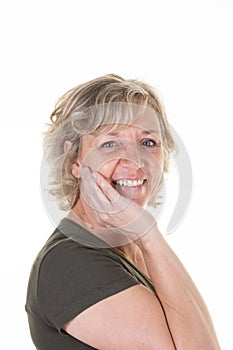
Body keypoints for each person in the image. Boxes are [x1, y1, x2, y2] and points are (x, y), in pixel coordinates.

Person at [25, 74, 221, 349]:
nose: (135, 160)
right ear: (74, 162)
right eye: (109, 143)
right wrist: (148, 232)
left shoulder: (135, 252)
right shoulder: (68, 263)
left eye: (148, 142)